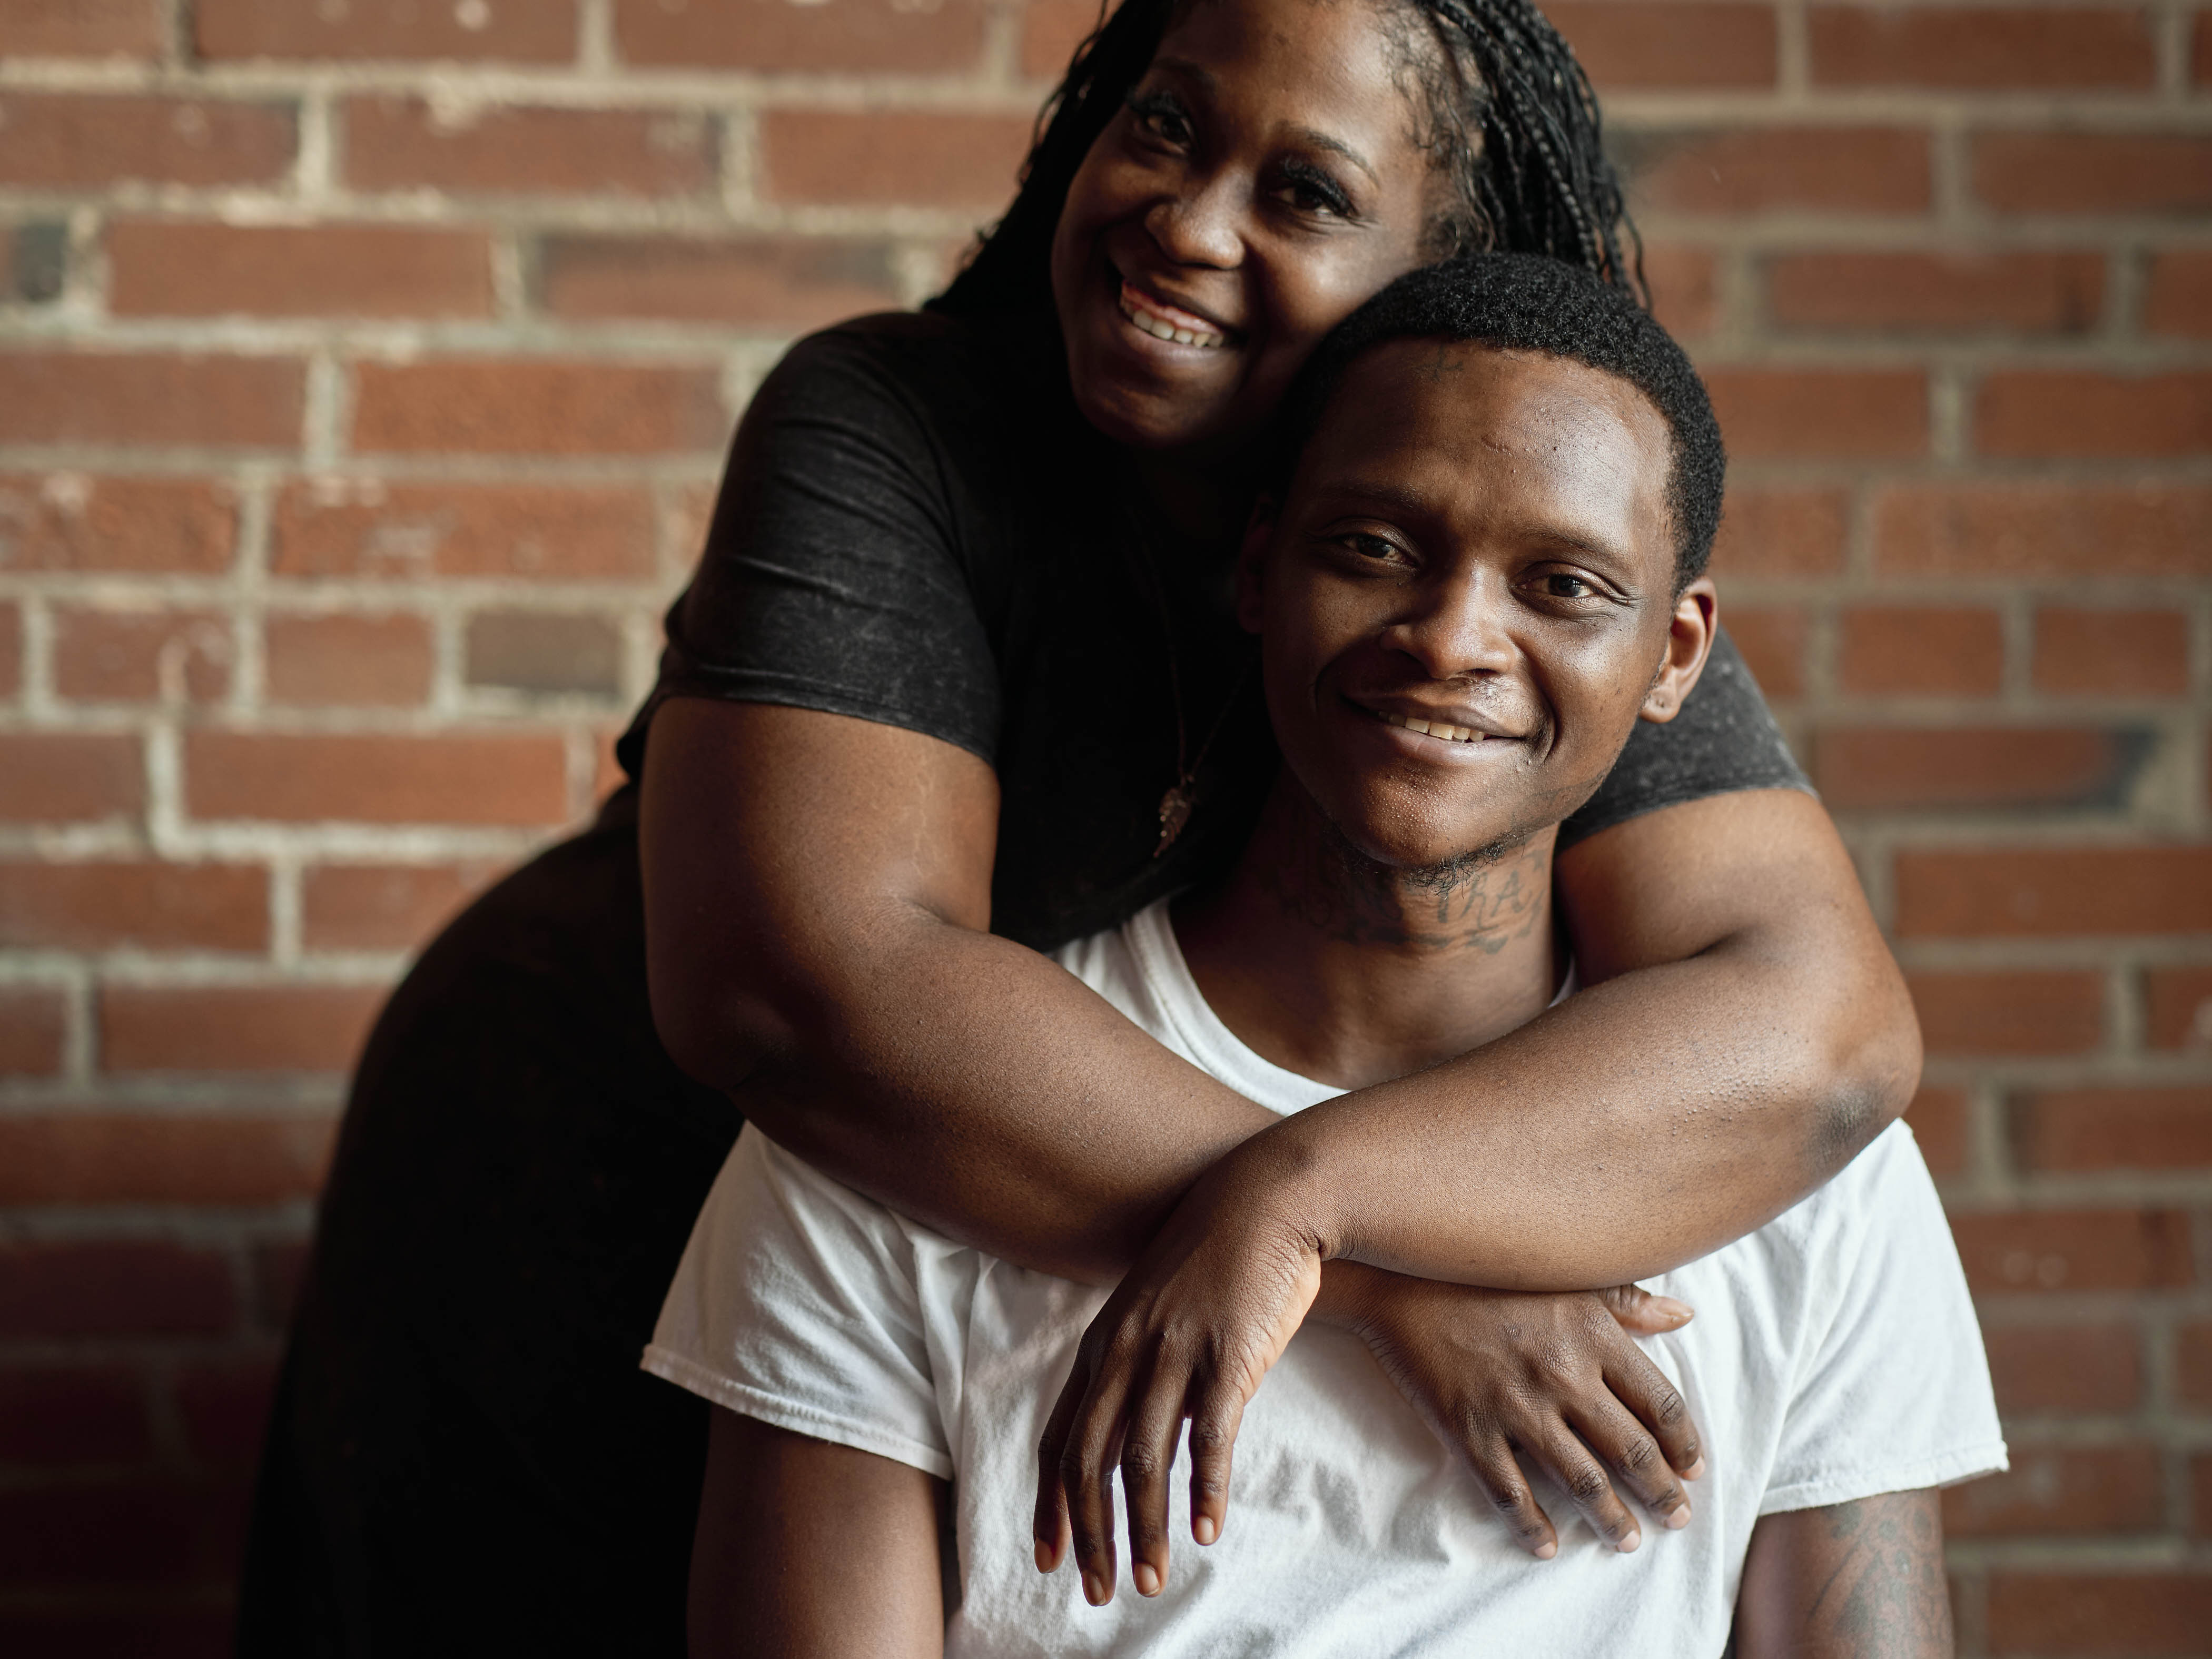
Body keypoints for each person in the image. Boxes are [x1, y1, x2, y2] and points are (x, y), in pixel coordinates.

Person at [238, 0, 1922, 1650]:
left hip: (984, 1233)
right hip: (606, 1158)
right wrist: (1372, 1269)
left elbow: (1822, 1030)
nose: (1187, 222)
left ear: (1441, 269)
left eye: (1305, 193)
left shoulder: (1506, 559)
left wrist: (1322, 1197)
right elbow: (802, 994)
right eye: (1165, 123)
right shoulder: (897, 426)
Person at [658, 255, 2003, 1658]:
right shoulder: (904, 1122)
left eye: (1562, 585)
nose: (1453, 639)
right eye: (1373, 548)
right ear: (1259, 569)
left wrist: (1306, 1198)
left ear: (1675, 657)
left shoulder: (1801, 1177)